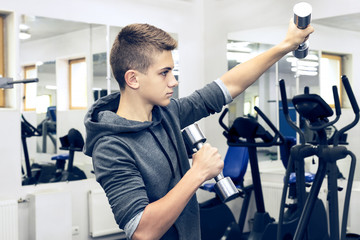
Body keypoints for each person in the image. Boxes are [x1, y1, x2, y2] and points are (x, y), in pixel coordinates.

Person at [83, 20, 313, 240]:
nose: (173, 81)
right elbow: (142, 231)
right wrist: (198, 173)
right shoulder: (110, 147)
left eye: (172, 72)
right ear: (133, 78)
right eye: (164, 73)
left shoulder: (167, 113)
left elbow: (227, 85)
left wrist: (285, 46)